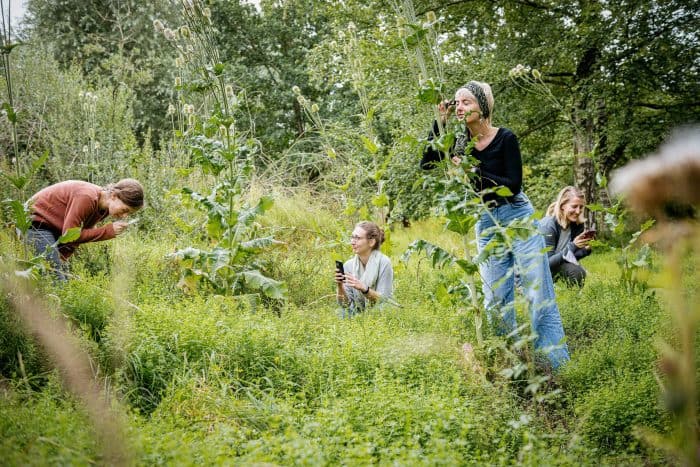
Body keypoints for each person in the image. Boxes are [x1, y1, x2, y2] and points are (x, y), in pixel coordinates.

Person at [420, 81, 569, 369]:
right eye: (457, 102)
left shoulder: (505, 138)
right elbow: (427, 164)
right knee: (495, 298)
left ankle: (556, 364)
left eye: (466, 102)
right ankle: (508, 363)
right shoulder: (459, 141)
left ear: (483, 106)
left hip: (517, 216)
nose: (460, 107)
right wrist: (440, 122)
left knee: (537, 291)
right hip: (485, 220)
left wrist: (474, 169)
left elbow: (513, 185)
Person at [26, 179, 144, 279]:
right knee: (55, 279)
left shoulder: (103, 208)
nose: (124, 216)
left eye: (129, 214)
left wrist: (63, 256)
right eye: (125, 210)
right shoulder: (87, 197)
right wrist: (108, 231)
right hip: (34, 224)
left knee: (62, 279)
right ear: (113, 196)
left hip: (53, 230)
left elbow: (75, 234)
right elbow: (69, 235)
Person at [335, 221, 394, 317]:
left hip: (379, 308)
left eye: (357, 238)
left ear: (371, 242)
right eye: (352, 237)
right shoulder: (348, 265)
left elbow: (384, 299)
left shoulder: (384, 262)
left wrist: (364, 289)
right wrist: (340, 285)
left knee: (382, 309)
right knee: (341, 312)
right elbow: (345, 304)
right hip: (357, 310)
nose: (352, 242)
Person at [539, 186, 592, 287]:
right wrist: (573, 246)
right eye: (574, 206)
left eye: (581, 207)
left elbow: (570, 257)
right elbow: (546, 263)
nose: (578, 211)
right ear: (562, 205)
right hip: (536, 269)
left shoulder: (576, 224)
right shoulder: (548, 225)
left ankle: (572, 298)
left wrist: (585, 249)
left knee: (578, 272)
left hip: (555, 264)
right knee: (576, 271)